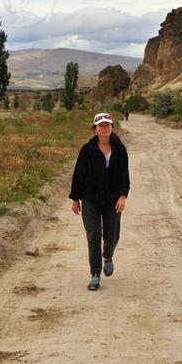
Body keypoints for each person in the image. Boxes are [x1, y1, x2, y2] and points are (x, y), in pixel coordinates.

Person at [68, 112, 130, 290]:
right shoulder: (87, 150)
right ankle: (95, 273)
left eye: (107, 124)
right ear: (95, 129)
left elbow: (124, 175)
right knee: (93, 236)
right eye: (100, 125)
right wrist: (75, 198)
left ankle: (108, 256)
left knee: (111, 237)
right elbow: (79, 174)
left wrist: (122, 196)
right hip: (91, 199)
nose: (104, 128)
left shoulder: (120, 149)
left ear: (112, 127)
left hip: (112, 199)